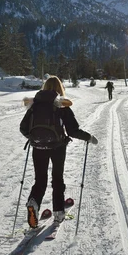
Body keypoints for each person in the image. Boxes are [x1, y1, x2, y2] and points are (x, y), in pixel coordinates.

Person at [20, 76, 98, 228]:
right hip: (57, 147)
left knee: (40, 180)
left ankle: (33, 202)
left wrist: (34, 138)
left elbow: (23, 128)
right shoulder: (61, 105)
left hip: (38, 148)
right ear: (60, 88)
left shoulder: (34, 105)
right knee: (57, 179)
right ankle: (58, 213)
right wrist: (89, 137)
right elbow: (73, 131)